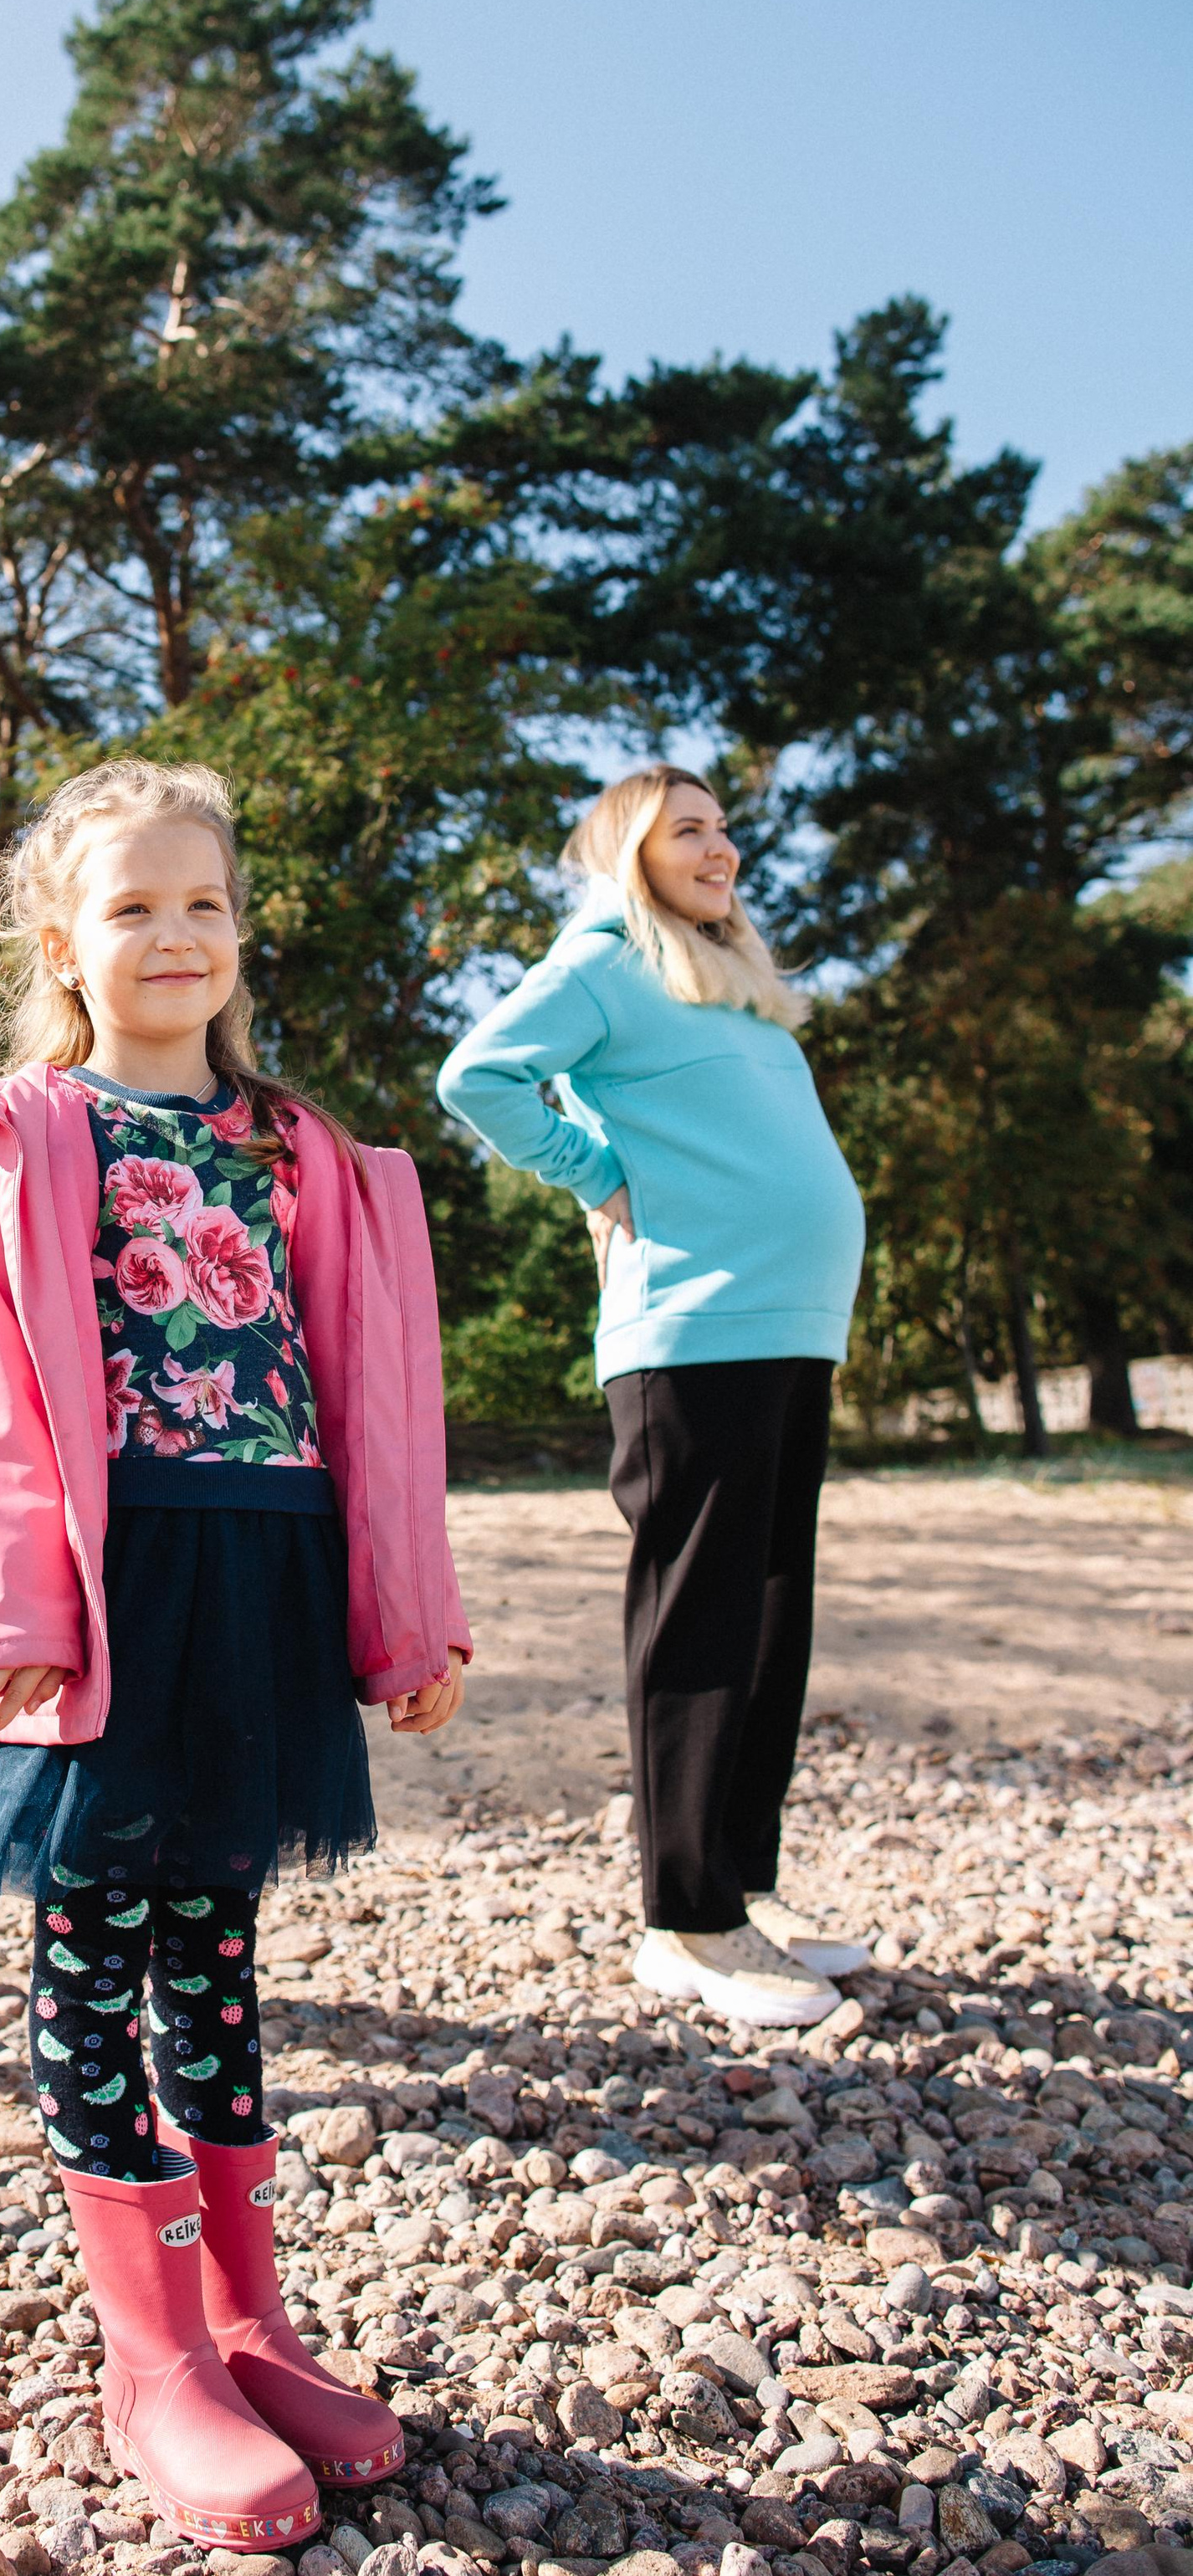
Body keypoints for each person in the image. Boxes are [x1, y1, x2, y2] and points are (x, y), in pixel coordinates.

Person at [0, 759, 471, 2553]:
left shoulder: (298, 1148)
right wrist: (11, 1622)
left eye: (202, 906)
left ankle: (247, 2320)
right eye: (132, 907)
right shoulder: (24, 1136)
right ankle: (146, 2355)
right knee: (97, 1934)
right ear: (63, 942)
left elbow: (376, 1400)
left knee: (217, 1941)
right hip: (108, 1572)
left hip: (263, 1564)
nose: (172, 936)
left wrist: (405, 1619)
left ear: (240, 935)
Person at [437, 765, 868, 2031]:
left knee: (774, 1610)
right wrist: (600, 1179)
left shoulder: (728, 982)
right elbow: (480, 1076)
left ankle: (743, 1879)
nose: (721, 846)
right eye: (691, 830)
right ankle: (686, 1919)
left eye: (726, 828)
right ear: (632, 852)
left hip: (792, 1327)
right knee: (701, 1614)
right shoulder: (604, 959)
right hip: (692, 1331)